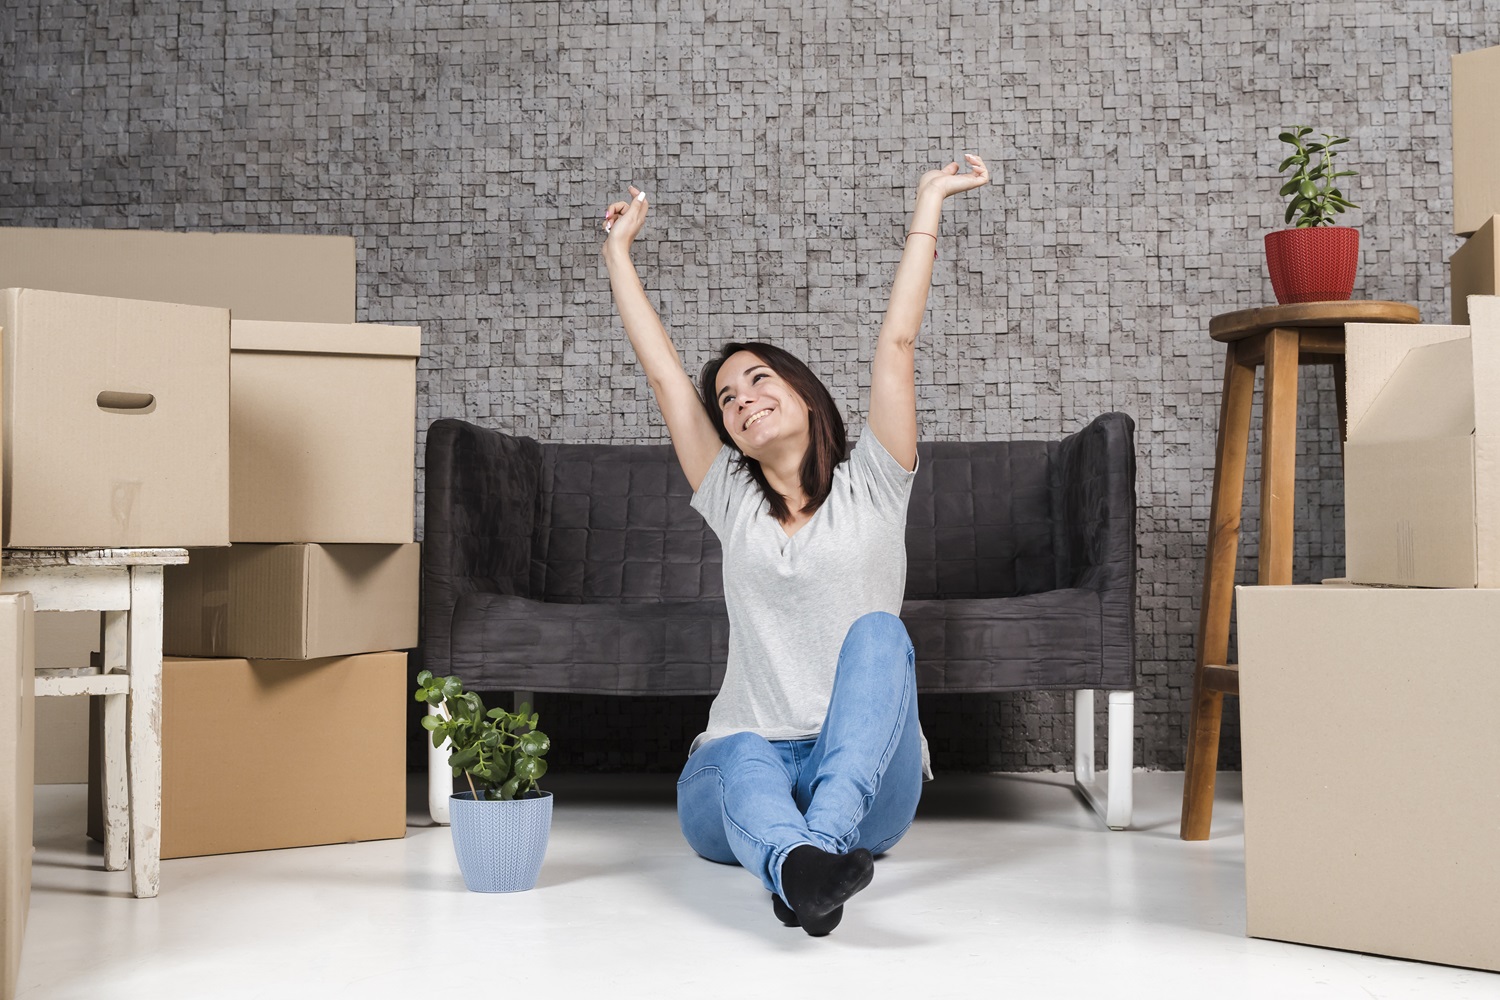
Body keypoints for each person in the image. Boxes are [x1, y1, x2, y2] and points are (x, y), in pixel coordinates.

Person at [600, 155, 990, 936]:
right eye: (730, 400)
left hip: (866, 777)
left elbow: (898, 345)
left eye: (759, 380)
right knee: (739, 747)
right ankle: (807, 868)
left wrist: (929, 205)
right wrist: (617, 255)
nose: (743, 400)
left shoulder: (874, 485)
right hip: (746, 779)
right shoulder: (732, 503)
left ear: (805, 393)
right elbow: (669, 383)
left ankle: (809, 852)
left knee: (882, 633)